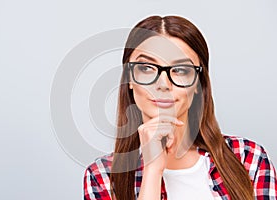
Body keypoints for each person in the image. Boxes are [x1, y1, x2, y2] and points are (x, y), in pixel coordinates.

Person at [83, 15, 277, 200]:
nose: (163, 84)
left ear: (198, 85)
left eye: (181, 70)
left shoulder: (248, 158)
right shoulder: (103, 177)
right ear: (129, 79)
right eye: (146, 68)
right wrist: (152, 169)